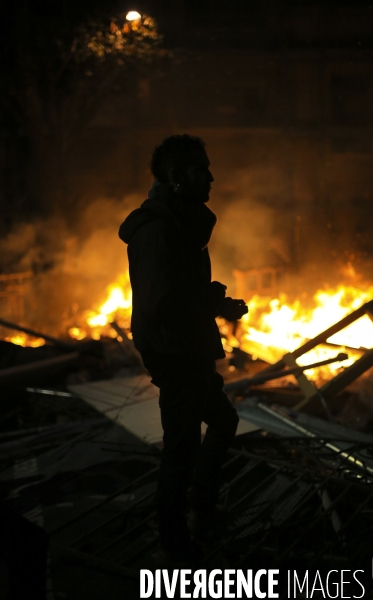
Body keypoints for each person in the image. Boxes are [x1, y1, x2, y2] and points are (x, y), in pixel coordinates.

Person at [119, 134, 248, 564]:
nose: (210, 177)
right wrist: (210, 304)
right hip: (176, 354)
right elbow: (165, 305)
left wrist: (217, 303)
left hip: (185, 348)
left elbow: (179, 291)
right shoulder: (158, 231)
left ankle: (200, 511)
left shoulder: (178, 223)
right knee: (181, 448)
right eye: (201, 170)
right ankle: (177, 542)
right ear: (176, 178)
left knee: (222, 422)